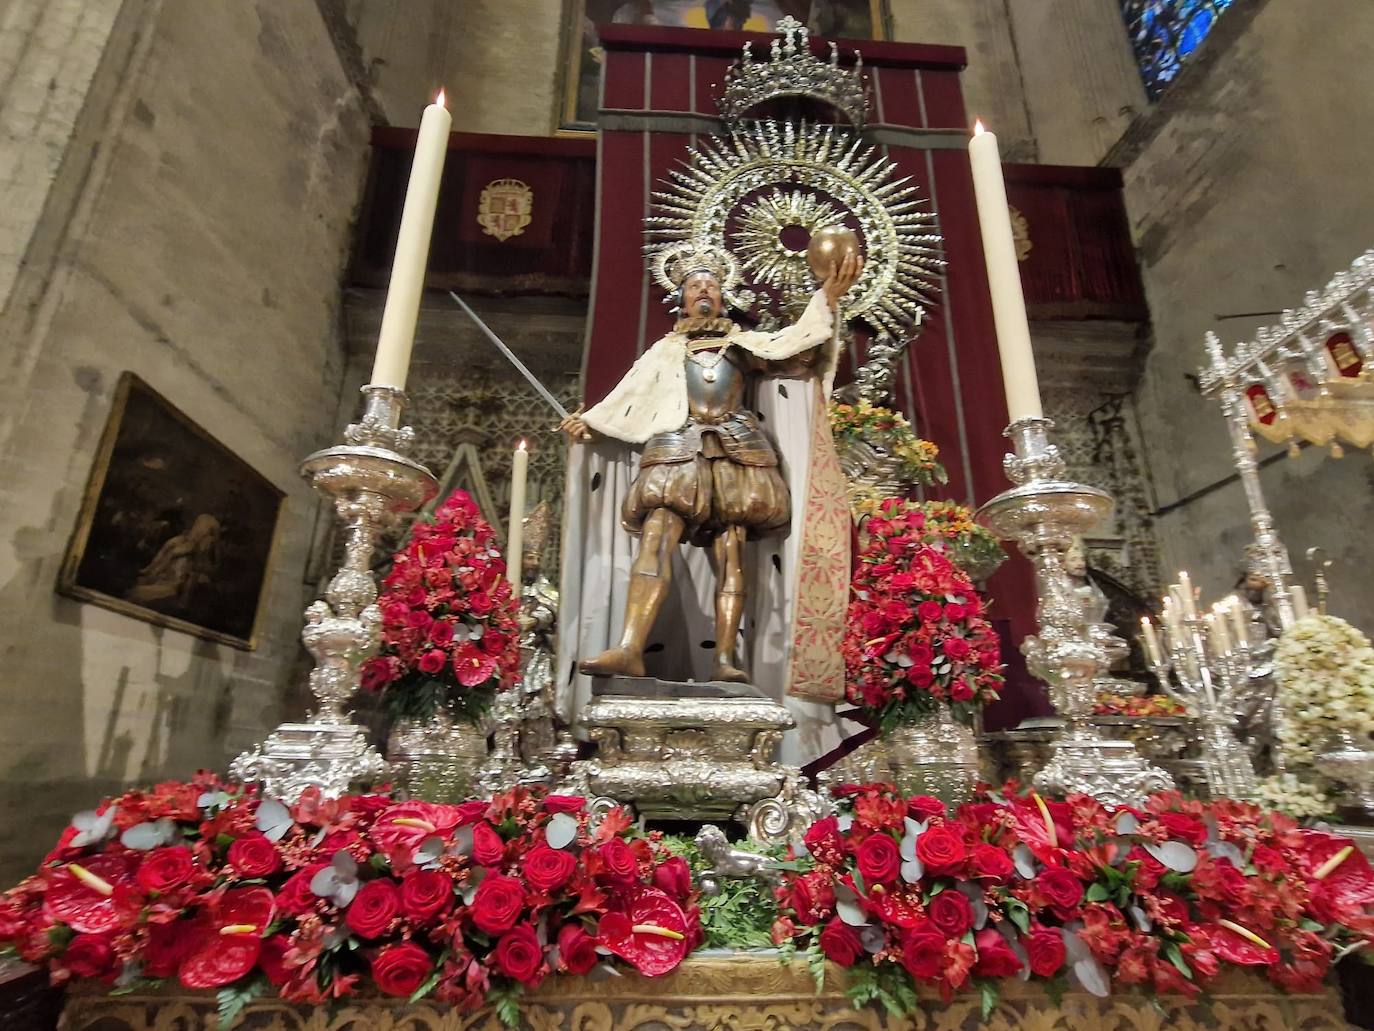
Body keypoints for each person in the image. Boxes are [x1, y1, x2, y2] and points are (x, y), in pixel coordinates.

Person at [559, 247, 860, 687]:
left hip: (738, 448)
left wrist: (827, 300)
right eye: (695, 285)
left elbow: (797, 352)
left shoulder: (744, 345)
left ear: (724, 297)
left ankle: (724, 655)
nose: (704, 291)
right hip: (676, 445)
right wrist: (589, 423)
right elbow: (628, 399)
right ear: (681, 298)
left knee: (732, 548)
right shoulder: (664, 352)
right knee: (656, 537)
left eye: (712, 286)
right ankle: (629, 646)